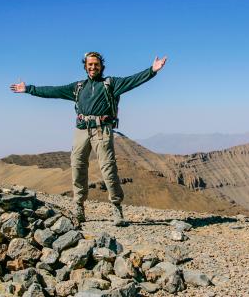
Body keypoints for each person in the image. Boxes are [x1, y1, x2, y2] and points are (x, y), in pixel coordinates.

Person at [10, 52, 167, 226]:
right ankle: (79, 206)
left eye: (96, 64)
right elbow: (53, 91)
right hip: (81, 130)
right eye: (90, 64)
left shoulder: (111, 84)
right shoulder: (78, 87)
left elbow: (133, 80)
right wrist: (29, 89)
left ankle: (116, 207)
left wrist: (152, 70)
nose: (93, 67)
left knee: (108, 169)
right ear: (85, 66)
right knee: (77, 166)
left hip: (102, 131)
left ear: (102, 66)